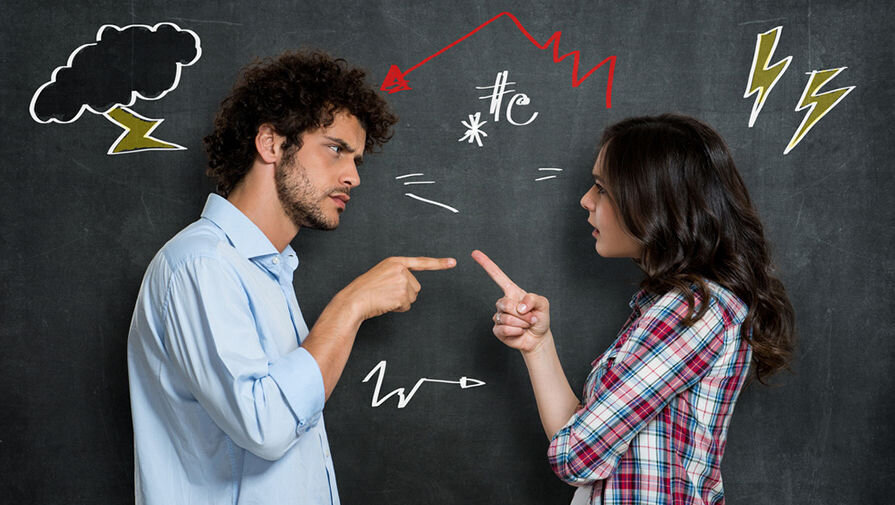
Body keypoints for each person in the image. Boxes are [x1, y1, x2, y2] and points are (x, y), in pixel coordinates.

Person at [127, 50, 456, 505]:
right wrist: (351, 306)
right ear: (271, 144)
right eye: (336, 149)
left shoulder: (267, 270)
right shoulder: (201, 264)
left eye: (357, 160)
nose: (353, 177)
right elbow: (266, 427)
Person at [472, 114, 795, 505]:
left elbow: (577, 458)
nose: (586, 200)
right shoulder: (671, 308)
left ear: (654, 201)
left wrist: (578, 446)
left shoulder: (691, 312)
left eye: (602, 189)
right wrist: (537, 346)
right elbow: (585, 446)